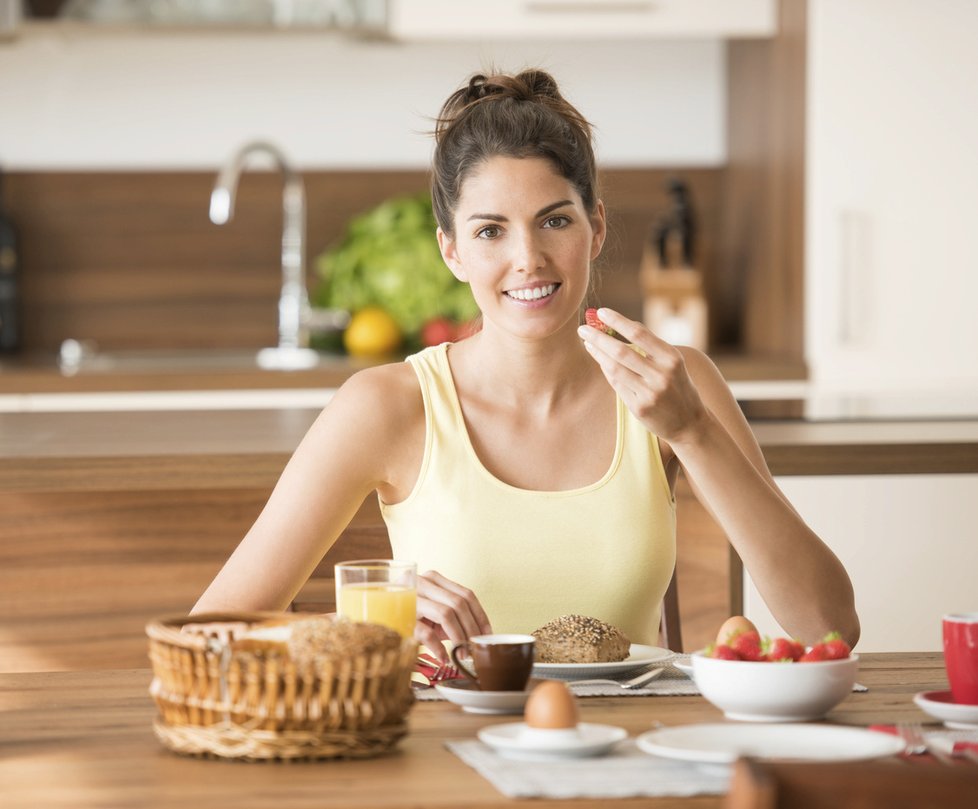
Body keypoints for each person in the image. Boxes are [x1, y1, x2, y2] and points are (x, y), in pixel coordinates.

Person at [193, 69, 859, 658]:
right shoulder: (389, 405)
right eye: (490, 230)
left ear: (595, 227)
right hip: (442, 772)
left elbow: (830, 622)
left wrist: (693, 431)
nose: (528, 259)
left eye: (555, 221)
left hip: (629, 770)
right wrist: (371, 619)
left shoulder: (669, 381)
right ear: (451, 251)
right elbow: (207, 631)